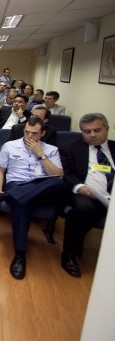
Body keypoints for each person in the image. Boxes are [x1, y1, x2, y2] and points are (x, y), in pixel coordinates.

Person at [0, 117, 66, 280]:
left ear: (42, 133)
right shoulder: (10, 146)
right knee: (22, 202)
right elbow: (1, 171)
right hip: (17, 184)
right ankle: (20, 254)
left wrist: (40, 154)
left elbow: (57, 174)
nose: (29, 137)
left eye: (34, 133)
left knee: (59, 184)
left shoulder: (51, 149)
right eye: (26, 132)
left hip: (43, 185)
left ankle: (8, 197)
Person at [60, 113, 114, 278]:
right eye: (86, 131)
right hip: (86, 193)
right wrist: (79, 186)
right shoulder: (70, 148)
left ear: (107, 129)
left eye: (96, 130)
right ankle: (69, 254)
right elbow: (66, 173)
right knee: (83, 209)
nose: (92, 135)